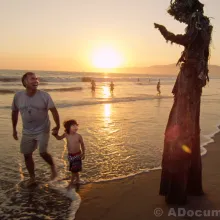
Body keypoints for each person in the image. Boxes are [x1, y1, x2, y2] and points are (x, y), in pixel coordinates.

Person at [154, 0, 212, 204]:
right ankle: (191, 186)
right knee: (188, 124)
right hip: (193, 78)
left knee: (181, 125)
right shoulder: (202, 24)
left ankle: (179, 191)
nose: (183, 19)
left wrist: (165, 32)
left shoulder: (198, 22)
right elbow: (201, 51)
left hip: (189, 78)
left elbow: (188, 40)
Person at [11, 72, 60, 186]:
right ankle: (32, 178)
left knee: (42, 152)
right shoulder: (18, 96)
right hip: (27, 131)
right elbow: (14, 112)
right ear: (25, 82)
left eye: (36, 78)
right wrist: (14, 129)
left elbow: (53, 110)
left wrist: (57, 125)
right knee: (27, 155)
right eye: (32, 79)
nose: (36, 81)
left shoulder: (44, 95)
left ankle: (53, 166)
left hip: (43, 128)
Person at [53, 119, 85, 190]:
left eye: (76, 125)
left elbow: (82, 144)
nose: (75, 127)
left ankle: (71, 183)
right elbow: (59, 138)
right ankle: (78, 180)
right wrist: (55, 135)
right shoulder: (66, 134)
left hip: (77, 155)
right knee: (74, 169)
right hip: (70, 155)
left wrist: (83, 153)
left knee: (74, 170)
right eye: (73, 125)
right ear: (68, 127)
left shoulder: (78, 136)